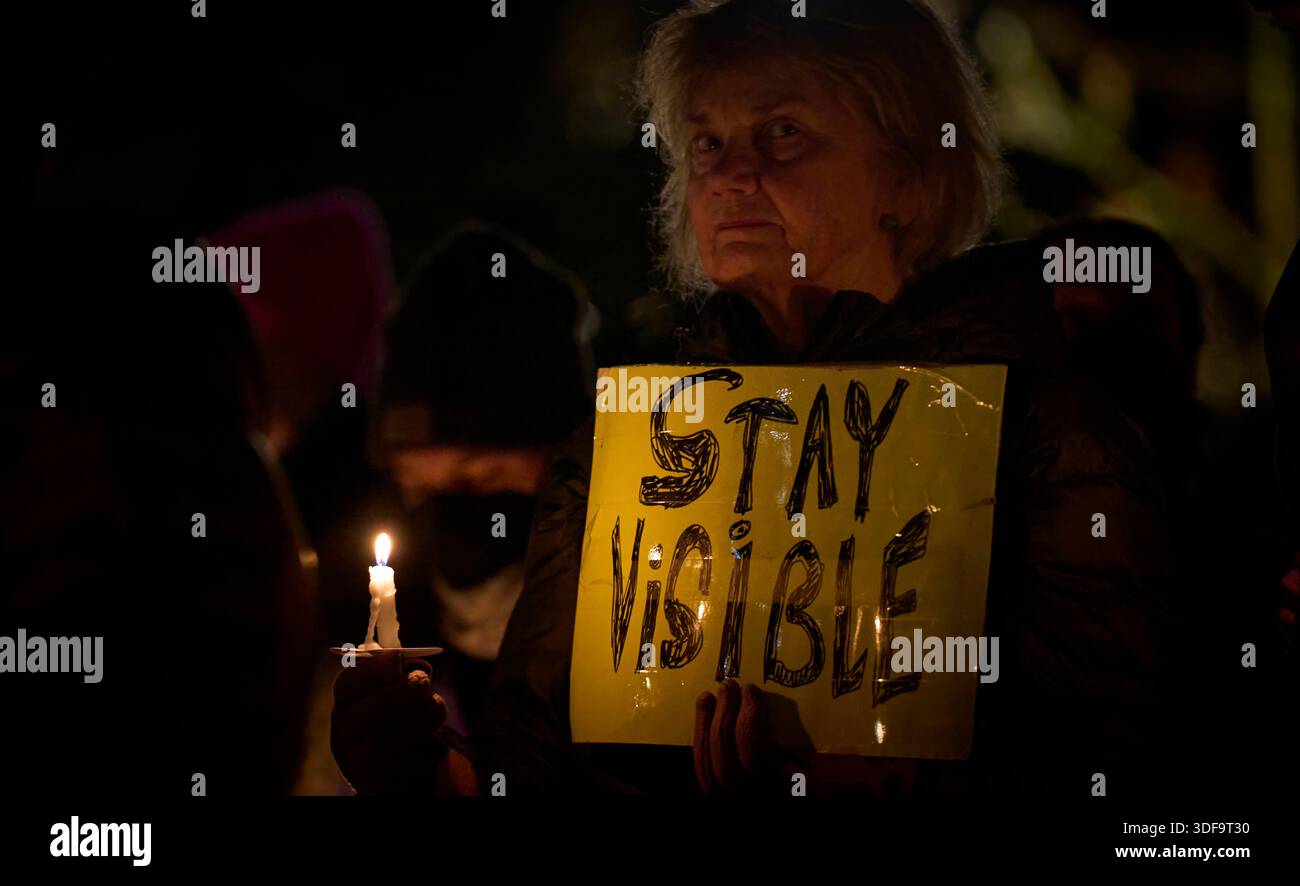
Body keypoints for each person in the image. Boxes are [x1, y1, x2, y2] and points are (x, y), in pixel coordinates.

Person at [332, 0, 1191, 798]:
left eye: (783, 133)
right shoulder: (636, 440)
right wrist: (423, 766)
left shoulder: (1042, 431)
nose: (731, 176)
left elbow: (1117, 764)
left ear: (909, 173)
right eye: (706, 144)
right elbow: (536, 753)